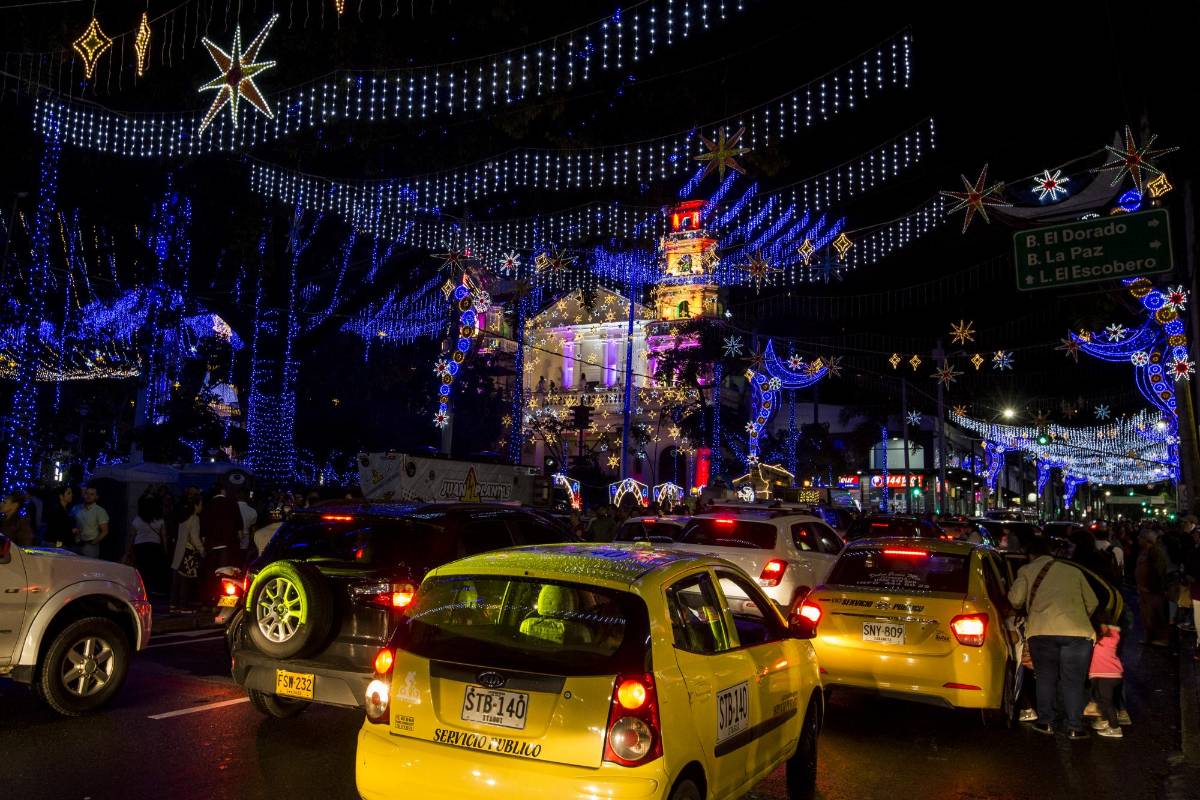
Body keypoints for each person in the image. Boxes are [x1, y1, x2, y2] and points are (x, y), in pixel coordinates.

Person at [1008, 536, 1098, 739]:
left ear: (1031, 555)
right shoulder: (1073, 571)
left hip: (1042, 631)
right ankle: (1075, 727)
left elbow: (1015, 600)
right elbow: (1092, 602)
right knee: (1073, 681)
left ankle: (1046, 722)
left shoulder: (1027, 570)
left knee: (1046, 678)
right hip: (1078, 633)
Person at [1088, 623, 1126, 737]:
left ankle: (1115, 728)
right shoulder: (1114, 636)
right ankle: (1105, 721)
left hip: (1106, 674)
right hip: (1111, 674)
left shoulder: (1100, 639)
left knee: (1106, 701)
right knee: (1101, 699)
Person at [1135, 527, 1170, 646]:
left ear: (1147, 540)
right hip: (1145, 589)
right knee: (1147, 615)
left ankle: (1161, 638)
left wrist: (1152, 587)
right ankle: (1150, 637)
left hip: (1152, 590)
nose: (1138, 540)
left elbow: (1158, 572)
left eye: (1140, 538)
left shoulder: (1155, 552)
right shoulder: (1146, 551)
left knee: (1155, 614)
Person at [200, 480, 244, 574]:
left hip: (211, 546)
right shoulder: (232, 504)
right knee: (226, 575)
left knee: (212, 574)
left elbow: (203, 529)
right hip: (228, 545)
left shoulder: (207, 505)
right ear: (223, 491)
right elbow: (239, 528)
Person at [127, 494, 168, 595]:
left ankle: (142, 589)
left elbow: (131, 536)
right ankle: (153, 589)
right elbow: (164, 536)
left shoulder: (137, 520)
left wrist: (129, 550)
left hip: (140, 547)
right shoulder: (160, 520)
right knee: (154, 569)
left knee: (142, 569)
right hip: (155, 547)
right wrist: (166, 550)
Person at [170, 496, 204, 612]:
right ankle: (183, 605)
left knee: (177, 580)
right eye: (200, 504)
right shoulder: (194, 519)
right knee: (186, 580)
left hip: (179, 550)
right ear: (196, 506)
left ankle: (173, 605)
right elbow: (194, 537)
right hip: (188, 552)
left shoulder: (182, 517)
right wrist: (201, 549)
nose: (201, 507)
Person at [74, 485, 110, 558]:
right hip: (76, 544)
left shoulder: (100, 511)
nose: (88, 496)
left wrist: (93, 543)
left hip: (90, 546)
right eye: (87, 493)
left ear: (96, 497)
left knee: (89, 568)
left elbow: (105, 531)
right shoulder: (76, 508)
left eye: (92, 494)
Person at [236, 490, 258, 554]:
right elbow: (254, 530)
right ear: (247, 497)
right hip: (245, 538)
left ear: (236, 496)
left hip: (233, 537)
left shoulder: (230, 508)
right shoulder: (252, 511)